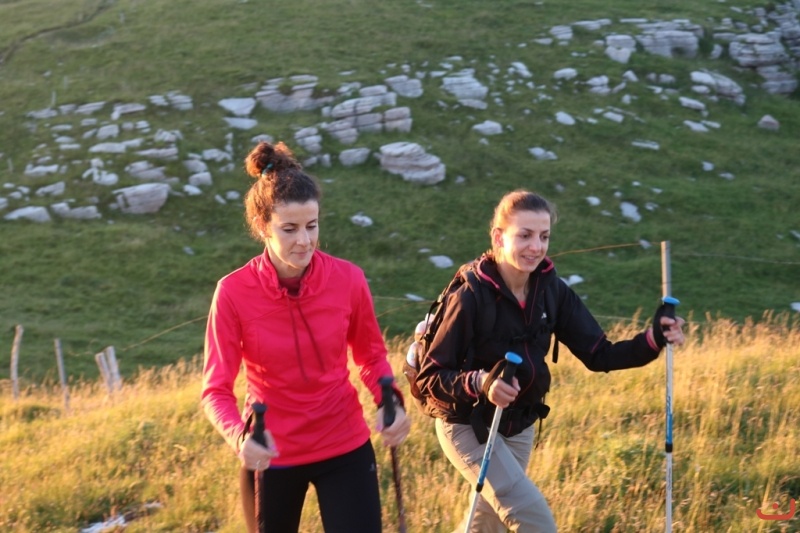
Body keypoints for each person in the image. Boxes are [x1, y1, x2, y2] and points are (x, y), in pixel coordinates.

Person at [415, 189, 685, 533]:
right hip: (469, 424)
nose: (536, 247)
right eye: (525, 235)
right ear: (498, 237)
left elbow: (600, 354)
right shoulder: (470, 295)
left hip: (519, 426)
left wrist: (653, 339)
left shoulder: (552, 291)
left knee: (487, 527)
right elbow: (430, 377)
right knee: (534, 520)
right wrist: (482, 382)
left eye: (544, 236)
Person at [201, 140, 411, 533]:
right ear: (262, 226)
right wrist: (239, 438)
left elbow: (370, 357)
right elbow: (215, 390)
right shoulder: (232, 292)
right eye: (289, 229)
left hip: (344, 444)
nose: (304, 241)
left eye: (312, 226)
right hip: (270, 453)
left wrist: (391, 401)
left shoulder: (348, 279)